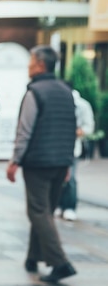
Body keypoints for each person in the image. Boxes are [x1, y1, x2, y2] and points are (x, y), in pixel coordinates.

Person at [6, 45, 77, 283]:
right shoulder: (66, 91)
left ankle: (60, 263)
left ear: (40, 65)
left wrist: (15, 160)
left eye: (31, 61)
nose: (28, 66)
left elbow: (24, 131)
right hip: (61, 162)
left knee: (38, 211)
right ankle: (33, 256)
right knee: (45, 211)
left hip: (38, 162)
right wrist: (68, 162)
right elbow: (70, 129)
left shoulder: (34, 92)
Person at [56, 88, 94, 221]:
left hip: (73, 147)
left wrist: (75, 132)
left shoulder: (82, 106)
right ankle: (60, 204)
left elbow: (89, 127)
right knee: (59, 177)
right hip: (58, 147)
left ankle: (70, 207)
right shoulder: (59, 103)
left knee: (70, 178)